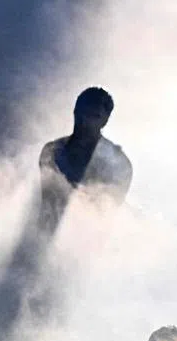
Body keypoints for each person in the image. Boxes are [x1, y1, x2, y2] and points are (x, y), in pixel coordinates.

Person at [38, 87, 132, 233]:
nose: (86, 121)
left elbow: (108, 212)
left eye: (94, 116)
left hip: (89, 239)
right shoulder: (52, 151)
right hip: (44, 236)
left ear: (104, 121)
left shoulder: (118, 164)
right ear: (75, 112)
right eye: (83, 112)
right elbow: (47, 204)